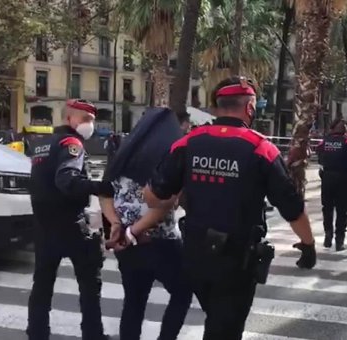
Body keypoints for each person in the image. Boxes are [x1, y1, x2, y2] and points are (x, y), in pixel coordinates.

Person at [116, 77, 316, 340]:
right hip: (237, 260)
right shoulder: (261, 148)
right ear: (250, 107)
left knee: (217, 320)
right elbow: (291, 206)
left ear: (217, 106)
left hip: (195, 254)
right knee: (225, 328)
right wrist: (308, 245)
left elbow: (153, 196)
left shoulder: (188, 143)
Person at [100, 107, 192, 340]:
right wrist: (132, 231)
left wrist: (116, 224)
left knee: (134, 302)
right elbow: (165, 205)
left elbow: (105, 193)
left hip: (127, 245)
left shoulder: (123, 153)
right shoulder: (170, 156)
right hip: (161, 242)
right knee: (182, 292)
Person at [27, 99, 113, 340]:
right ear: (69, 119)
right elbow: (67, 181)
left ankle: (37, 334)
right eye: (85, 120)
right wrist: (101, 187)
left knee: (42, 286)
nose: (90, 125)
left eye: (92, 121)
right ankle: (93, 334)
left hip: (44, 226)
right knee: (89, 284)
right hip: (71, 226)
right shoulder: (71, 143)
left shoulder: (42, 144)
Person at [316, 119, 347, 250]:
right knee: (342, 211)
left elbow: (318, 154)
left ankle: (328, 236)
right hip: (343, 179)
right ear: (344, 130)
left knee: (327, 209)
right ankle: (339, 241)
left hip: (327, 178)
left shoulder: (324, 143)